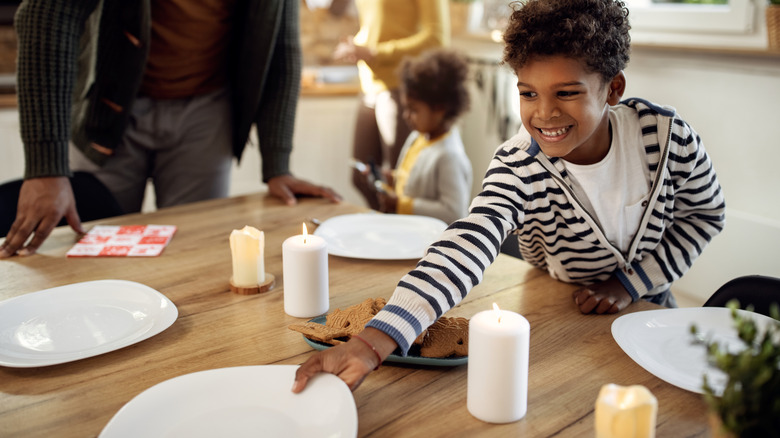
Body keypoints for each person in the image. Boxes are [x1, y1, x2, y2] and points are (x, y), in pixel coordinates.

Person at [292, 0, 726, 392]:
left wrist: (630, 284)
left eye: (567, 93)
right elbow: (472, 239)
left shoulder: (666, 137)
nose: (544, 113)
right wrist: (373, 342)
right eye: (528, 93)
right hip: (564, 312)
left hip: (652, 310)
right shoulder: (520, 163)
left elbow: (705, 216)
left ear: (613, 89)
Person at [0, 0, 341, 258]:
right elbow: (46, 16)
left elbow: (282, 47)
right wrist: (46, 169)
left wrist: (278, 165)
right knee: (91, 250)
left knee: (197, 253)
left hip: (207, 111)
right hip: (107, 109)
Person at [332, 0, 449, 210]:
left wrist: (376, 53)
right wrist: (357, 46)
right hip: (369, 83)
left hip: (400, 86)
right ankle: (384, 229)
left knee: (401, 184)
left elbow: (436, 38)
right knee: (362, 177)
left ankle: (399, 234)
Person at [363, 49, 472, 224]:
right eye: (406, 108)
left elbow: (454, 212)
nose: (406, 116)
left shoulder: (449, 156)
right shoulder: (418, 137)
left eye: (413, 110)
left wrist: (401, 205)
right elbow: (413, 177)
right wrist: (391, 178)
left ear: (439, 109)